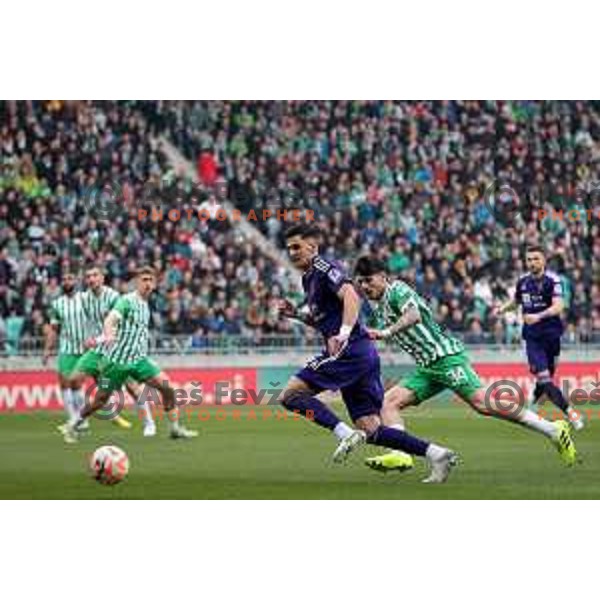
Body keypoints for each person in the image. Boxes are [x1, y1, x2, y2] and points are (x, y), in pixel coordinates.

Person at [353, 255, 577, 471]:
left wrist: (386, 332)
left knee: (483, 404)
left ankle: (553, 430)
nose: (364, 286)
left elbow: (413, 315)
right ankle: (401, 454)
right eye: (360, 281)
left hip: (446, 358)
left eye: (369, 280)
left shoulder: (398, 290)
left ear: (383, 276)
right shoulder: (378, 304)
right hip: (427, 366)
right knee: (387, 403)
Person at [275, 224, 458, 484]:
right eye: (289, 248)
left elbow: (351, 295)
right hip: (361, 355)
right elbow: (324, 320)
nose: (292, 252)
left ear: (312, 247)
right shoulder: (308, 279)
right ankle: (437, 454)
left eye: (297, 247)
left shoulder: (324, 268)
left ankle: (343, 433)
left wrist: (345, 332)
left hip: (349, 350)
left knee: (290, 395)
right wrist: (297, 315)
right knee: (372, 430)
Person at [62, 266, 197, 443]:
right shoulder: (127, 301)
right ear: (137, 282)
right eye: (144, 280)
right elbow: (111, 319)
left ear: (155, 284)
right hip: (117, 362)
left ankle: (174, 428)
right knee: (100, 401)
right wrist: (108, 334)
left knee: (167, 388)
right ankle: (75, 424)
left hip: (139, 360)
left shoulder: (146, 304)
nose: (147, 284)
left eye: (150, 280)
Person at [495, 245, 584, 430]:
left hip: (552, 336)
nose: (532, 263)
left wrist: (538, 316)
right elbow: (516, 302)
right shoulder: (522, 282)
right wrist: (502, 308)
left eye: (536, 259)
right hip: (532, 338)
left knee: (547, 379)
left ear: (543, 260)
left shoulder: (553, 280)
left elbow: (559, 306)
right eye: (529, 259)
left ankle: (533, 404)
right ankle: (571, 413)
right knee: (545, 379)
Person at [66, 264, 157, 436]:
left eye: (95, 275)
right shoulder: (84, 299)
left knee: (133, 387)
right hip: (96, 350)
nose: (91, 279)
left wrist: (100, 338)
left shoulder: (115, 297)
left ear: (102, 278)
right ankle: (81, 420)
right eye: (88, 276)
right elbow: (82, 319)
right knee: (74, 380)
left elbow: (117, 324)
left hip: (117, 349)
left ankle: (149, 423)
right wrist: (85, 339)